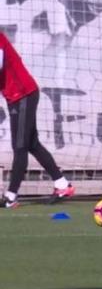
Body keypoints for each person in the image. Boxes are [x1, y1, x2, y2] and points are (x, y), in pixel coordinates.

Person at [0, 30, 74, 208]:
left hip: (23, 95)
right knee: (32, 144)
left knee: (20, 146)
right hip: (16, 96)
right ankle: (62, 185)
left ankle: (11, 196)